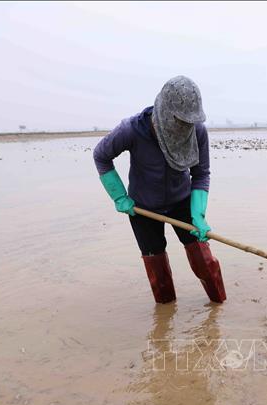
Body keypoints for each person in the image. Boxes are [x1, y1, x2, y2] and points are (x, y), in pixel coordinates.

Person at [93, 75, 226, 304]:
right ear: (165, 113)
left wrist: (199, 214)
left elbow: (201, 174)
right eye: (181, 122)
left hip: (182, 202)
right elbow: (101, 156)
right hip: (143, 207)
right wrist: (119, 196)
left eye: (190, 123)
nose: (186, 127)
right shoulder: (131, 130)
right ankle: (165, 312)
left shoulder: (198, 132)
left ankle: (219, 306)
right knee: (158, 272)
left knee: (204, 261)